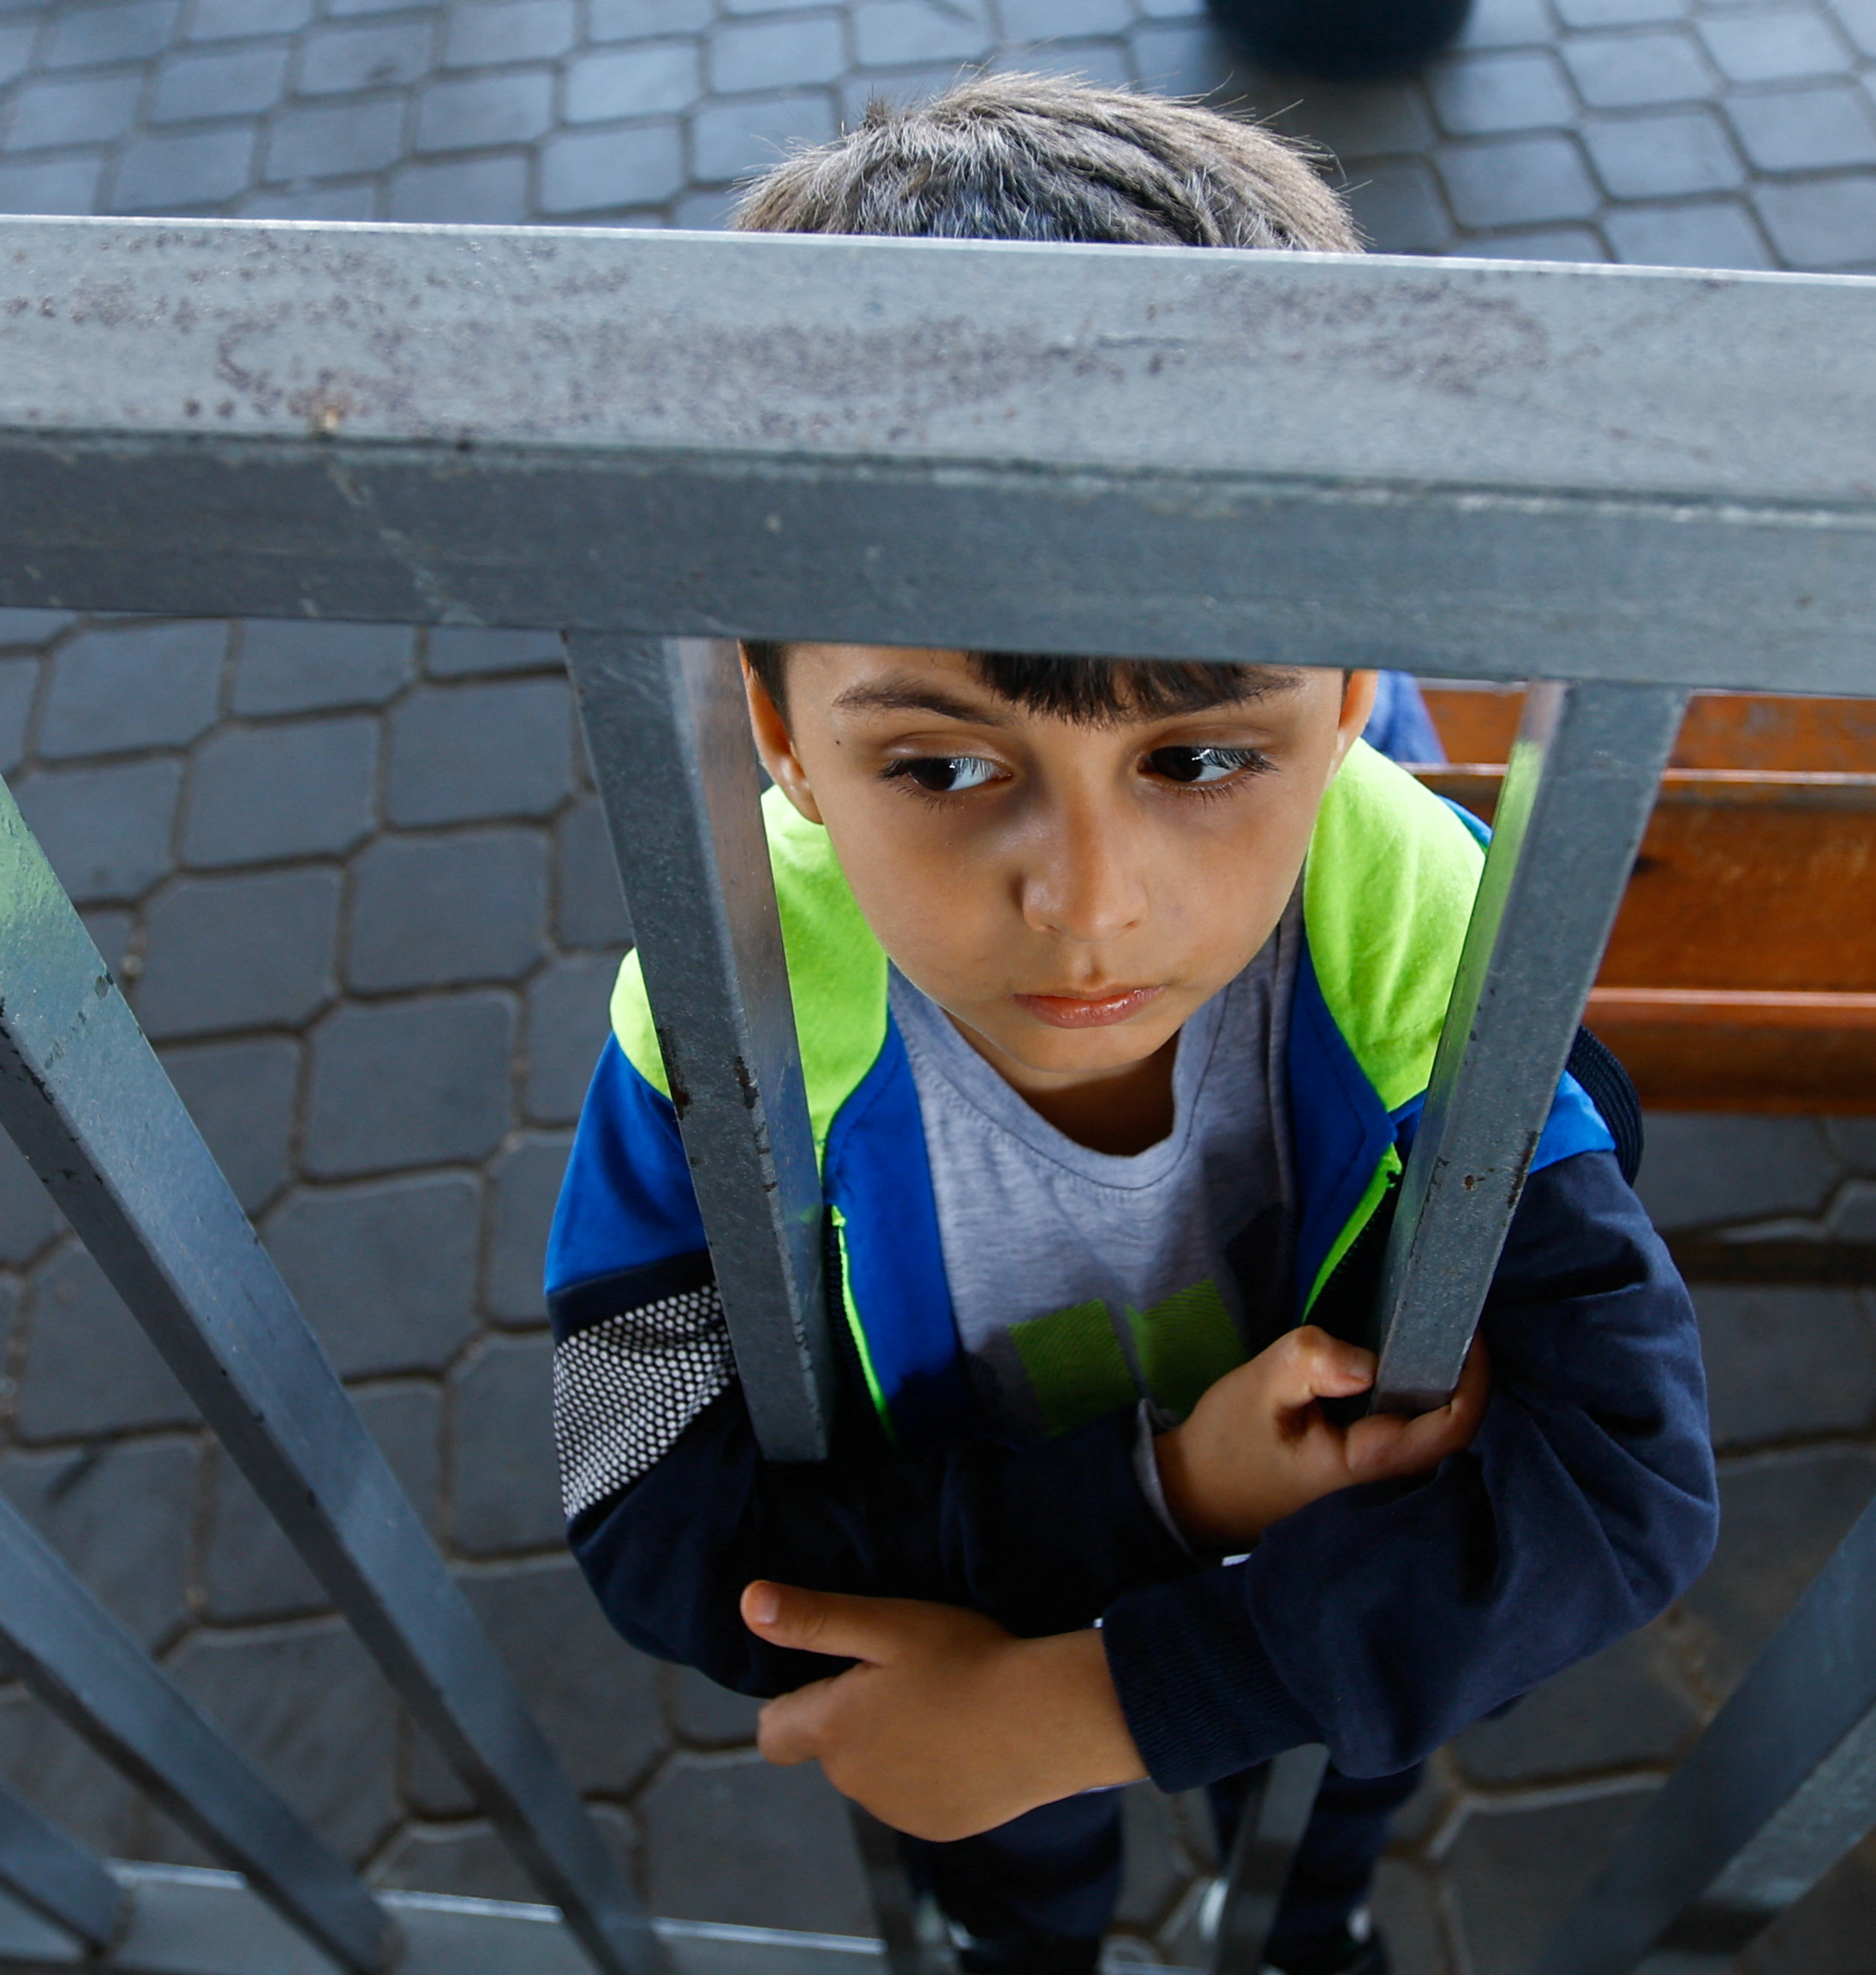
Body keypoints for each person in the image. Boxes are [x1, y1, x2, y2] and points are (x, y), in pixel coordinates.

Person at [547, 76, 1717, 1975]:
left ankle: (1296, 1929)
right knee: (1014, 1866)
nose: (1086, 902)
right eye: (937, 761)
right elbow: (640, 1500)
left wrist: (1093, 1696)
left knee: (1304, 1838)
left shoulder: (1431, 935)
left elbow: (1624, 1476)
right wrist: (1153, 1506)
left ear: (1349, 697)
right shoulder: (720, 1023)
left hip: (1284, 1652)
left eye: (1198, 755)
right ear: (776, 731)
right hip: (993, 1686)